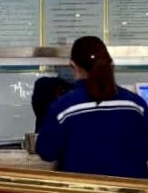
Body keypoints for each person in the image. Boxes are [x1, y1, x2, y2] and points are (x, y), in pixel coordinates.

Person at [36, 36, 148, 178]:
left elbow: (46, 151)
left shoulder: (64, 109)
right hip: (133, 191)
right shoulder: (136, 105)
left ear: (73, 66)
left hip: (82, 190)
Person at [31, 66, 75, 132]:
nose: (67, 69)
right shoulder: (45, 84)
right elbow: (42, 111)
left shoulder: (83, 88)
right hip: (48, 132)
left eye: (70, 66)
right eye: (61, 66)